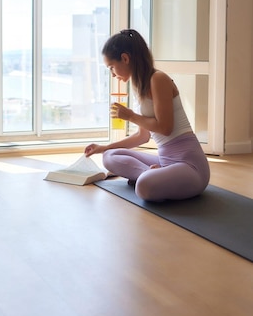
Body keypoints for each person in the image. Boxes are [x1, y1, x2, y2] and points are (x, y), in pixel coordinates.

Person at [84, 29, 210, 201]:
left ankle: (149, 177)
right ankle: (152, 173)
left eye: (112, 67)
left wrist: (130, 116)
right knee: (109, 156)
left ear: (125, 58)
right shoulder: (139, 87)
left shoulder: (158, 79)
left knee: (143, 187)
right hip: (165, 161)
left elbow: (165, 128)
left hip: (190, 167)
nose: (112, 74)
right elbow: (142, 136)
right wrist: (104, 147)